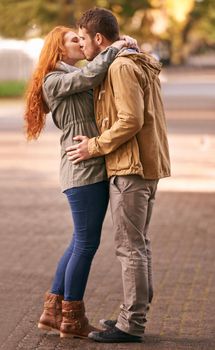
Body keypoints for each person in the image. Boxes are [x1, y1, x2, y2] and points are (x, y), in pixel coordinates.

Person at [66, 7, 171, 343]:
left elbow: (130, 120)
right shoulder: (132, 58)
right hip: (141, 166)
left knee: (129, 247)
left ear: (99, 38)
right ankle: (133, 312)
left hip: (131, 167)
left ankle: (132, 324)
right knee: (138, 244)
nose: (81, 45)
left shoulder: (123, 67)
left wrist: (93, 146)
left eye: (83, 38)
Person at [24, 25, 135, 339]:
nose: (81, 42)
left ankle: (51, 312)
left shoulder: (68, 75)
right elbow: (88, 77)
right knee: (86, 244)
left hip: (88, 166)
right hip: (81, 169)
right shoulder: (55, 79)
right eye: (75, 39)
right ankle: (72, 318)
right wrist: (116, 47)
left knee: (79, 242)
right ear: (60, 48)